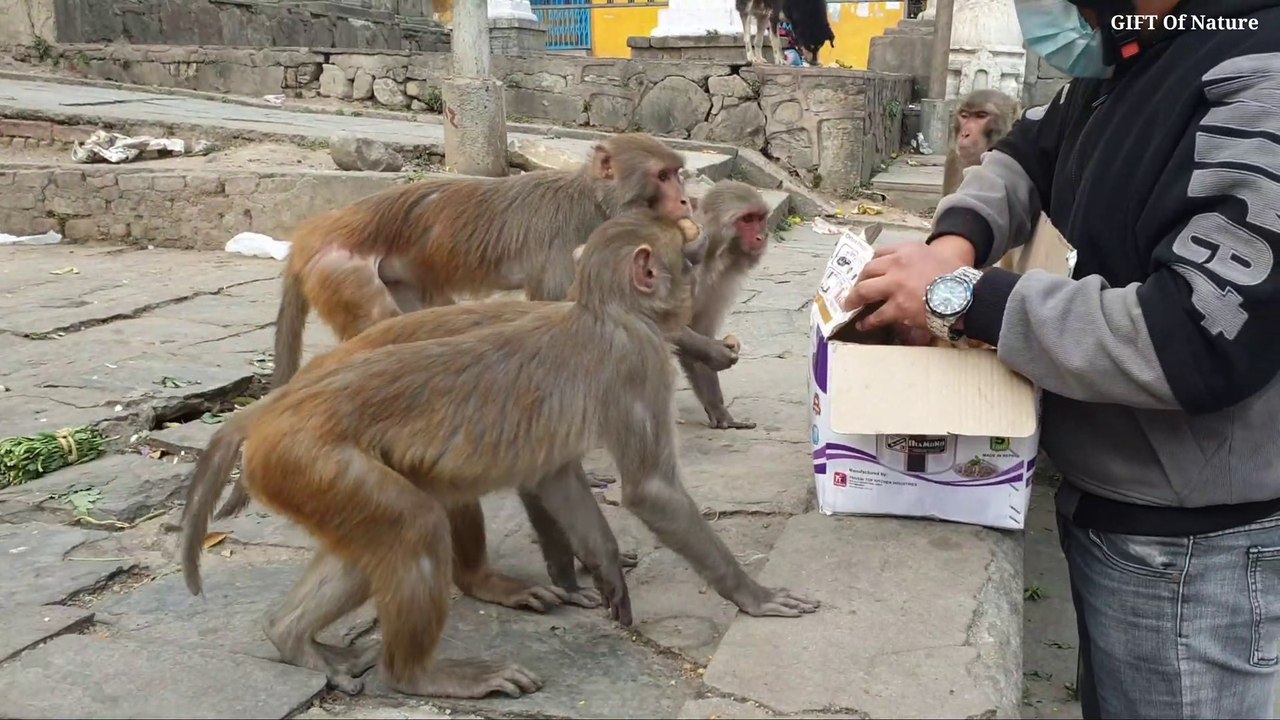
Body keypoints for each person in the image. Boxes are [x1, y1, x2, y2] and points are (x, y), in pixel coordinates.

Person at [844, 0, 1280, 717]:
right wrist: (952, 246)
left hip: (1193, 560)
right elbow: (1026, 155)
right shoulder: (1133, 53)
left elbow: (1193, 338)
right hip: (1115, 505)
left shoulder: (1257, 76)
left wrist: (961, 297)